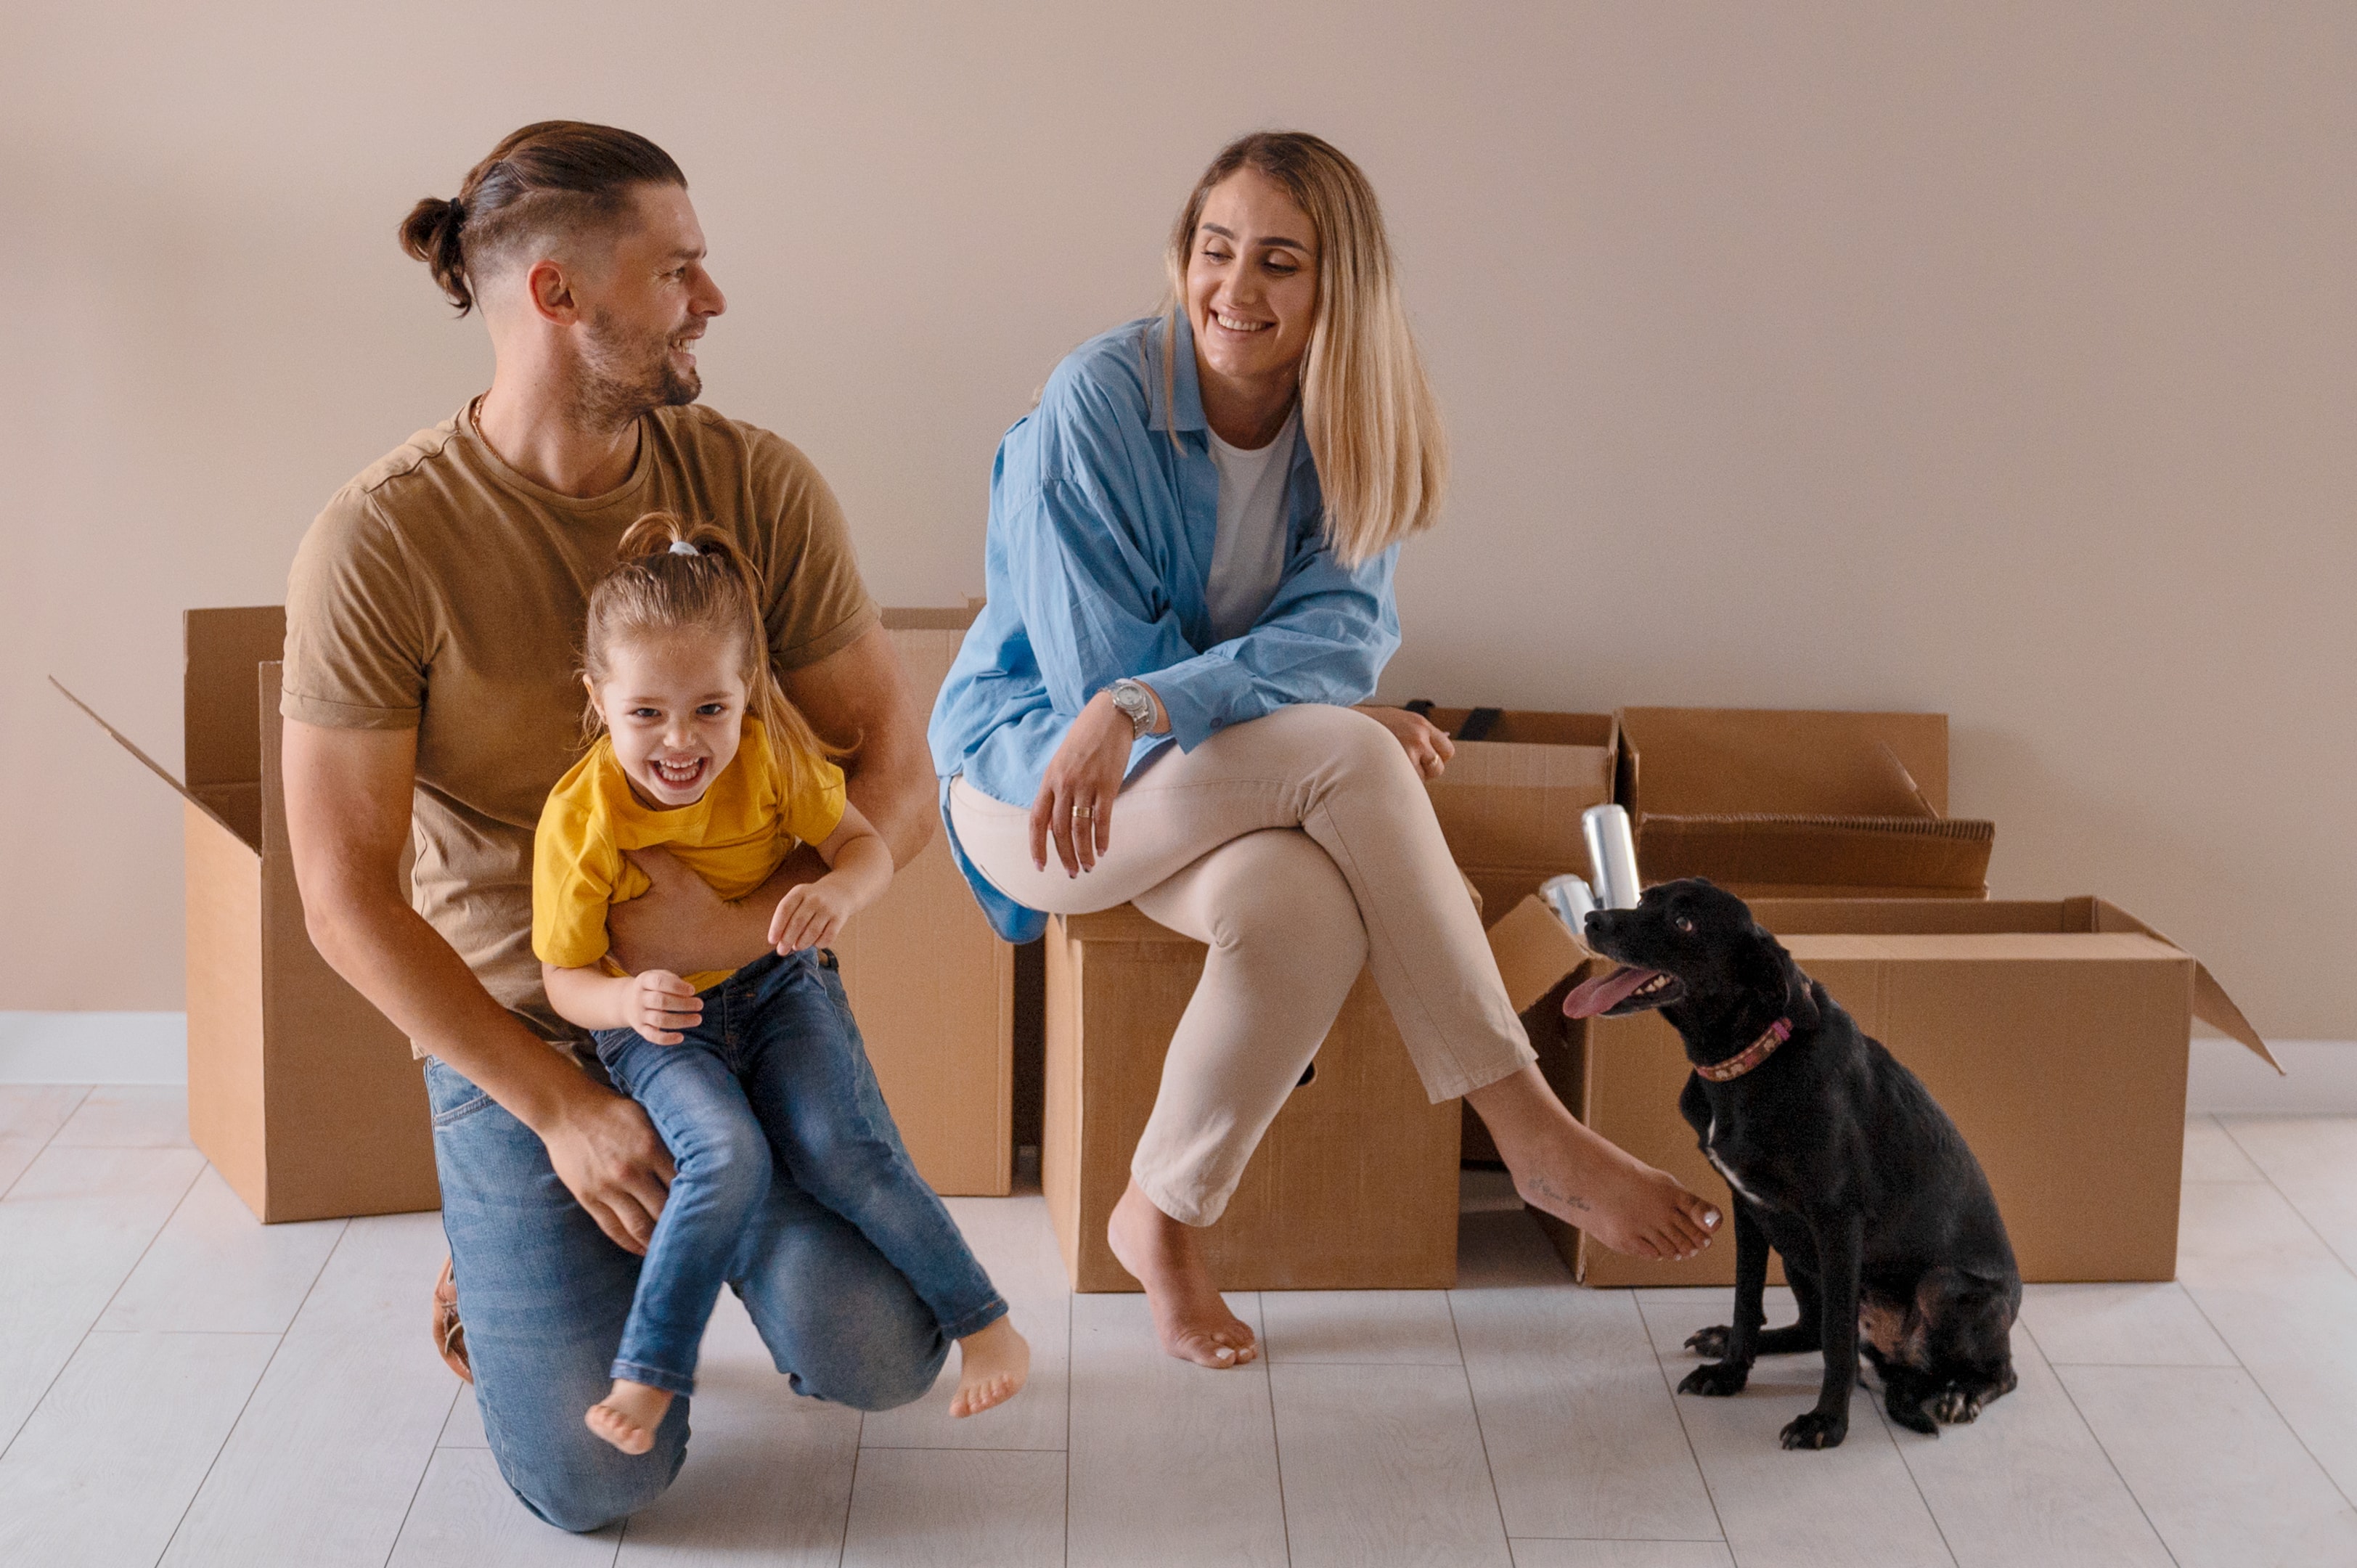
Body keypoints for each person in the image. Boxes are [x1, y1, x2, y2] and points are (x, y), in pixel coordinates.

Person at [930, 131, 1722, 1369]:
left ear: (1335, 287)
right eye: (1215, 249)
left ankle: (1160, 1217)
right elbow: (1100, 687)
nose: (1234, 288)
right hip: (1042, 790)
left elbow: (1339, 640)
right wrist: (1304, 719)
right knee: (1353, 757)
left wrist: (1260, 707)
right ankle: (1530, 1131)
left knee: (1303, 913)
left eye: (1279, 262)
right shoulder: (1098, 399)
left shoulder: (1351, 422)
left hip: (1202, 788)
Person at [279, 121, 944, 1532]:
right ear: (559, 294)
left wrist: (783, 912)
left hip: (740, 1012)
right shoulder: (380, 541)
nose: (713, 299)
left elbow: (896, 761)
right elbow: (343, 896)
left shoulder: (756, 483)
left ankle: (712, 1215)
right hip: (528, 1030)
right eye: (678, 270)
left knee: (885, 1353)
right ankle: (511, 1241)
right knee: (599, 1478)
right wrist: (561, 1108)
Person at [536, 513, 1029, 1455]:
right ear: (598, 698)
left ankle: (987, 1325)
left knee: (844, 1145)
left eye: (709, 709)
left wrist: (840, 891)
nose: (680, 742)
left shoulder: (768, 759)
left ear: (746, 692)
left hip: (776, 992)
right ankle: (650, 1372)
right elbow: (565, 978)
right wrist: (624, 1000)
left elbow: (862, 847)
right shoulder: (581, 815)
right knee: (726, 1155)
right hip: (657, 1027)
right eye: (646, 714)